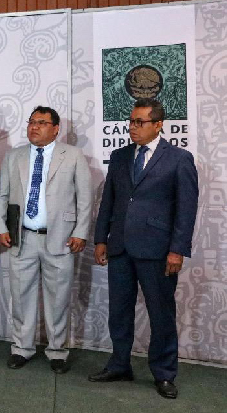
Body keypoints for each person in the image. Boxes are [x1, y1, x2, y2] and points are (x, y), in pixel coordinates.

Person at [88, 99, 198, 399]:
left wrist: (177, 250)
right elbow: (108, 200)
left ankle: (163, 373)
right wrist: (101, 239)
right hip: (120, 247)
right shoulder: (120, 156)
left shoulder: (179, 158)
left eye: (140, 122)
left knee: (161, 313)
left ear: (158, 124)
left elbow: (186, 210)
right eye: (131, 121)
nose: (132, 127)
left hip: (158, 251)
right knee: (119, 312)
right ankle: (120, 364)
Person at [0, 106, 92, 374]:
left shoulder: (72, 156)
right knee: (21, 296)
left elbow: (85, 198)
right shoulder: (14, 157)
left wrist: (80, 232)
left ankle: (57, 351)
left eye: (42, 123)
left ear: (56, 128)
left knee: (58, 298)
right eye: (31, 122)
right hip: (22, 238)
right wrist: (2, 225)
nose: (34, 127)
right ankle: (21, 348)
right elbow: (2, 195)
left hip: (60, 239)